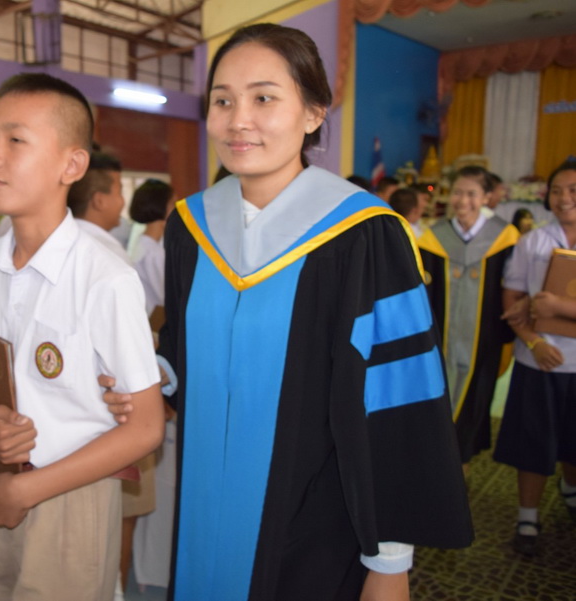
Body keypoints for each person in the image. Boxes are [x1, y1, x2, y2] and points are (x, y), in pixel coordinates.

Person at [109, 24, 473, 600]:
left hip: (315, 517)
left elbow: (396, 398)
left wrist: (389, 560)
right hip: (202, 503)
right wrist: (153, 378)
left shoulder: (365, 234)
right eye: (222, 101)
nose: (238, 120)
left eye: (264, 98)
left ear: (313, 113)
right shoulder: (191, 227)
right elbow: (181, 343)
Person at [0, 72, 164, 601]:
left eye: (16, 140)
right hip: (1, 480)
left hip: (70, 491)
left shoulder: (104, 276)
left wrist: (28, 489)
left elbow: (146, 427)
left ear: (72, 165)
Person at [495, 159, 576, 556]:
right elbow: (511, 299)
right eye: (557, 190)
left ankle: (570, 488)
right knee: (532, 442)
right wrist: (532, 342)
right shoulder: (534, 241)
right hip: (539, 360)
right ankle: (527, 515)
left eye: (573, 190)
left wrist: (558, 306)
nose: (564, 198)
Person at [418, 165, 519, 468]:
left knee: (473, 401)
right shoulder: (433, 238)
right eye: (458, 192)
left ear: (487, 197)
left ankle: (458, 467)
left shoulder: (504, 237)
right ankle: (436, 463)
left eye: (472, 194)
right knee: (435, 397)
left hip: (483, 342)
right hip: (440, 340)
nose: (463, 201)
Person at [67, 152, 132, 263]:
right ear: (99, 201)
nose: (122, 201)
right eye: (120, 192)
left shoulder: (57, 241)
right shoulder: (110, 254)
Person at [129, 179, 174, 316]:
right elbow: (167, 296)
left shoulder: (141, 244)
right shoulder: (154, 253)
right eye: (173, 203)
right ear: (160, 207)